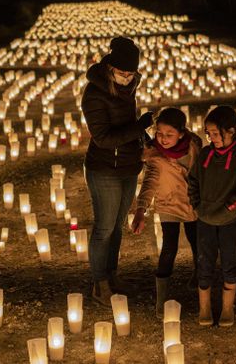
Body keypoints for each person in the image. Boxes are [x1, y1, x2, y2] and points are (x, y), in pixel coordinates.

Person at [81, 36, 154, 307]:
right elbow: (102, 138)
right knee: (104, 227)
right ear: (110, 68)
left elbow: (127, 123)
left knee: (118, 226)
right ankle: (100, 284)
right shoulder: (94, 93)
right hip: (104, 169)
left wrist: (144, 139)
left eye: (131, 73)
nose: (127, 77)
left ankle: (112, 275)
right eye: (122, 73)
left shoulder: (129, 87)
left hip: (127, 165)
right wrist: (139, 127)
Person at [189, 105, 236, 327]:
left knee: (229, 262)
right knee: (204, 262)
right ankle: (205, 307)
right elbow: (193, 180)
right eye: (208, 134)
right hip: (204, 220)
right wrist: (196, 204)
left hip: (229, 222)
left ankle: (228, 307)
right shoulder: (206, 155)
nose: (211, 138)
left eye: (215, 133)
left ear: (231, 131)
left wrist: (227, 208)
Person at [131, 107, 203, 316]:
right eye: (159, 133)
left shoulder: (194, 145)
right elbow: (150, 182)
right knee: (169, 248)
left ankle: (200, 277)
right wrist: (140, 210)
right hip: (168, 204)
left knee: (197, 242)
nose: (163, 139)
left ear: (182, 133)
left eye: (169, 134)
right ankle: (161, 297)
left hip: (192, 204)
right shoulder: (155, 155)